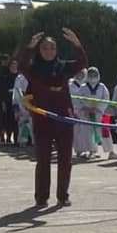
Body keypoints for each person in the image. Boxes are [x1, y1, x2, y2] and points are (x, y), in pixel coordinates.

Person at [17, 29, 87, 208]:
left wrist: (77, 44)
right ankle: (41, 197)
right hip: (42, 120)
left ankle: (63, 196)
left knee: (65, 160)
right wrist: (29, 47)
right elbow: (21, 65)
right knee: (43, 160)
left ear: (56, 50)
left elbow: (82, 63)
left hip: (63, 119)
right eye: (45, 48)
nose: (49, 51)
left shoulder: (63, 67)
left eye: (52, 48)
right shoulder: (33, 69)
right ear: (39, 50)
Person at [75, 67, 112, 158]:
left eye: (94, 74)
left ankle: (106, 151)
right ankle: (90, 151)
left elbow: (106, 98)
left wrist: (98, 108)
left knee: (100, 131)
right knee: (87, 132)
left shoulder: (102, 86)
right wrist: (84, 108)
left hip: (98, 112)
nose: (92, 76)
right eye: (90, 74)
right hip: (86, 113)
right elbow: (77, 100)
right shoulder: (83, 87)